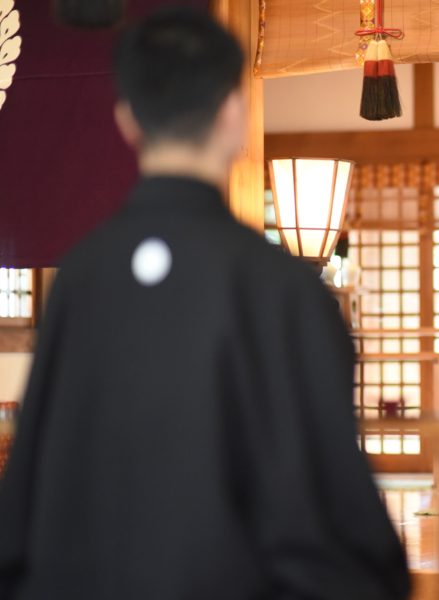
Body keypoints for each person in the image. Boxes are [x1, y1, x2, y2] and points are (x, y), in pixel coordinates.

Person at [0, 8, 410, 599]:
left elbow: (32, 493)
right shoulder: (287, 291)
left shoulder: (82, 282)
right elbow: (335, 500)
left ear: (127, 120)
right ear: (233, 116)